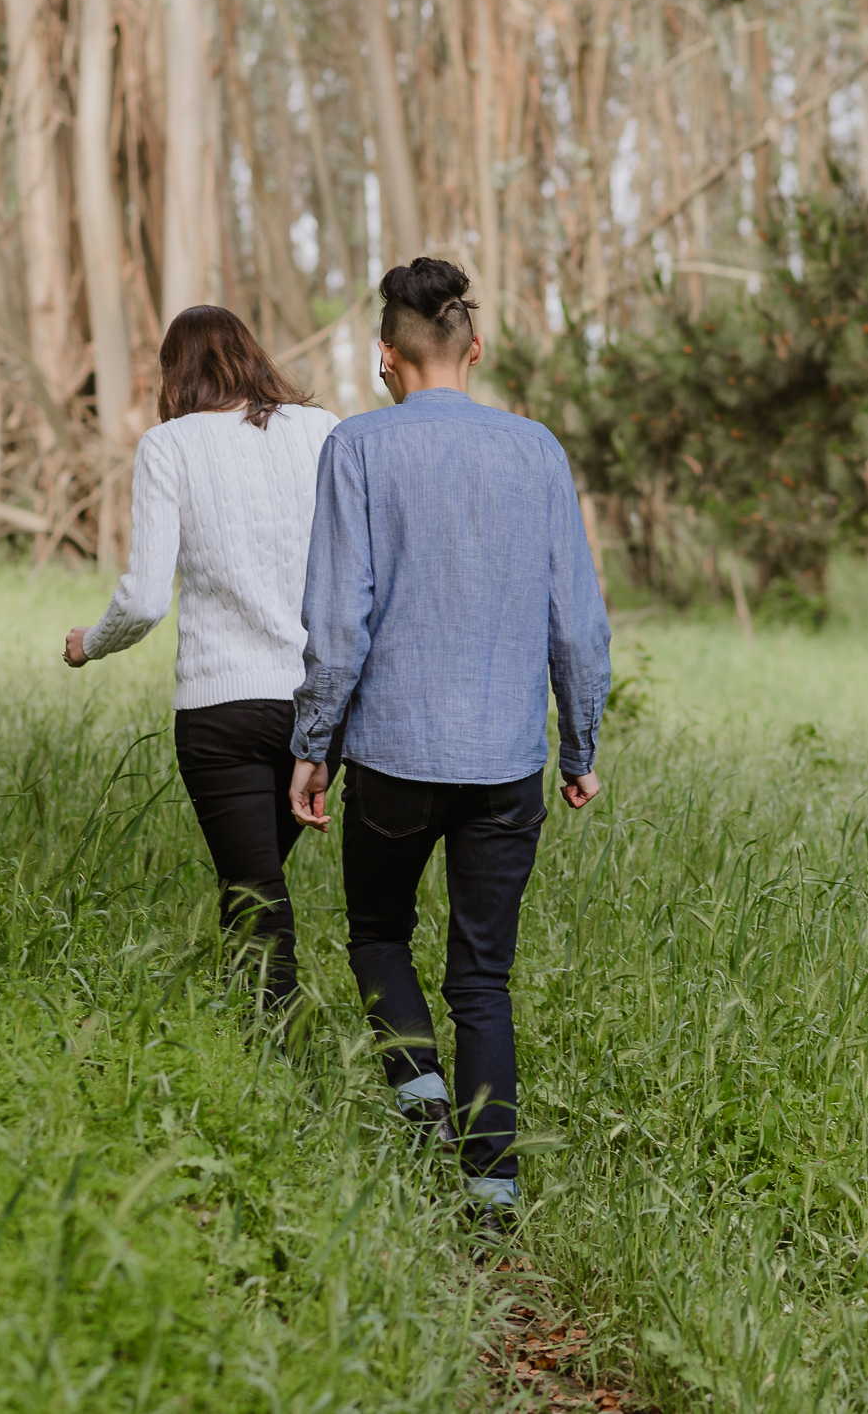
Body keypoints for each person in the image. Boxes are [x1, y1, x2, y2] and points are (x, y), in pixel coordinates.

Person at [287, 256, 609, 1227]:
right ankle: (493, 1192)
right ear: (475, 348)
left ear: (387, 356)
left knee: (380, 933)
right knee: (482, 975)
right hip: (508, 760)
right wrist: (579, 747)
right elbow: (578, 627)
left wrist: (315, 745)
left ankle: (418, 1092)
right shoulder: (537, 452)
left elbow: (339, 625)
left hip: (390, 756)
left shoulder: (358, 448)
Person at [66, 305, 337, 1010]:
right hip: (313, 704)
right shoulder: (323, 430)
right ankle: (243, 1035)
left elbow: (146, 599)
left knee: (254, 893)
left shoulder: (170, 445)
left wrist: (89, 644)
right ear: (253, 355)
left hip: (221, 709)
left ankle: (272, 1051)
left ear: (174, 375)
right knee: (251, 884)